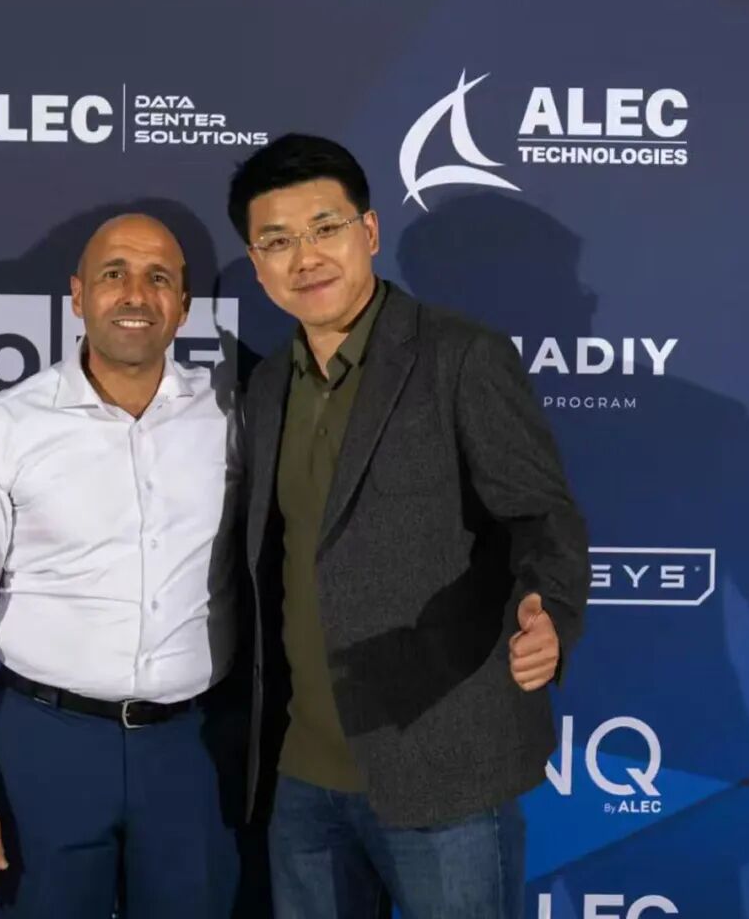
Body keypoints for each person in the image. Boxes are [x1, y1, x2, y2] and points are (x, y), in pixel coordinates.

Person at [227, 135, 590, 919]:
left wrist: (551, 610)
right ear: (256, 265)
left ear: (368, 231)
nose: (306, 258)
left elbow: (542, 517)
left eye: (325, 228)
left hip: (443, 762)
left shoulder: (461, 357)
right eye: (277, 242)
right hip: (301, 777)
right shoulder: (265, 386)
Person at [0, 213, 243, 917]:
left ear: (184, 306)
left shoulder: (231, 418)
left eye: (159, 277)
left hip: (192, 753)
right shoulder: (4, 428)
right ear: (78, 295)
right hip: (45, 750)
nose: (135, 294)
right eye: (113, 274)